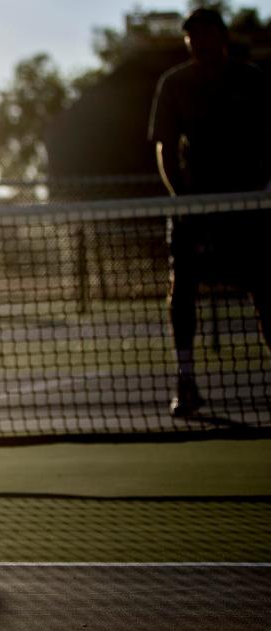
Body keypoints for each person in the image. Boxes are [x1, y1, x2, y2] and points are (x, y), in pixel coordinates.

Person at [148, 8, 271, 417]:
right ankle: (185, 379)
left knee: (266, 290)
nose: (197, 44)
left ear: (221, 36)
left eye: (203, 35)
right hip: (194, 207)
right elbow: (165, 148)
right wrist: (183, 200)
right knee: (182, 287)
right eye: (190, 39)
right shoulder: (175, 83)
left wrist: (262, 190)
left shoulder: (253, 80)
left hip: (248, 206)